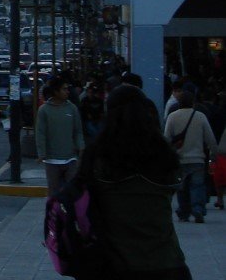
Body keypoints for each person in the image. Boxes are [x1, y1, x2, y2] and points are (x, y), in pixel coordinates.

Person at [77, 84, 191, 279]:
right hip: (165, 261)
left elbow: (79, 197)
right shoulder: (163, 154)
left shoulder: (98, 156)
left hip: (115, 263)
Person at [163, 90, 215, 223]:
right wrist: (213, 155)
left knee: (182, 186)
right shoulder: (200, 116)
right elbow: (210, 139)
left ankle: (183, 211)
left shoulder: (172, 116)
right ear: (193, 103)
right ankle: (197, 208)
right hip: (197, 158)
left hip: (180, 158)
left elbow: (167, 138)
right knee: (197, 185)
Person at [35, 76, 85, 197]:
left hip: (70, 158)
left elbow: (78, 131)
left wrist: (81, 147)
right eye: (64, 89)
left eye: (67, 89)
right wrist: (42, 153)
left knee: (73, 192)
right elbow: (41, 133)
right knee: (53, 193)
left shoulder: (72, 108)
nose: (67, 92)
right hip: (52, 159)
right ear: (56, 91)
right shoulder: (44, 110)